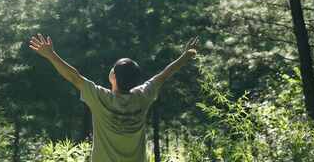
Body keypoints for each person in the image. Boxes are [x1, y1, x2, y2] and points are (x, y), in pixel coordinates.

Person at [29, 33, 199, 162]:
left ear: (114, 77)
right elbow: (163, 75)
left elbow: (74, 77)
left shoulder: (100, 98)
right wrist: (184, 57)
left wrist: (50, 55)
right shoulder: (143, 96)